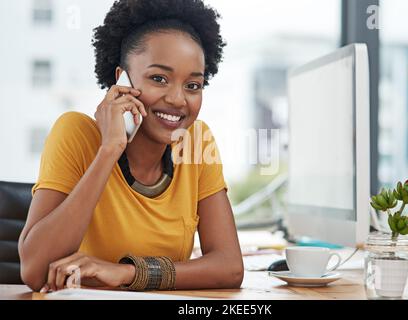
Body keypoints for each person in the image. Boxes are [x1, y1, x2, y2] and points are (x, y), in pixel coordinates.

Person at [18, 0, 243, 293]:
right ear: (121, 79)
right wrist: (109, 150)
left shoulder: (196, 141)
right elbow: (35, 271)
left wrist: (126, 273)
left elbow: (229, 266)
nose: (178, 99)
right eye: (159, 79)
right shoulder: (75, 133)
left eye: (193, 85)